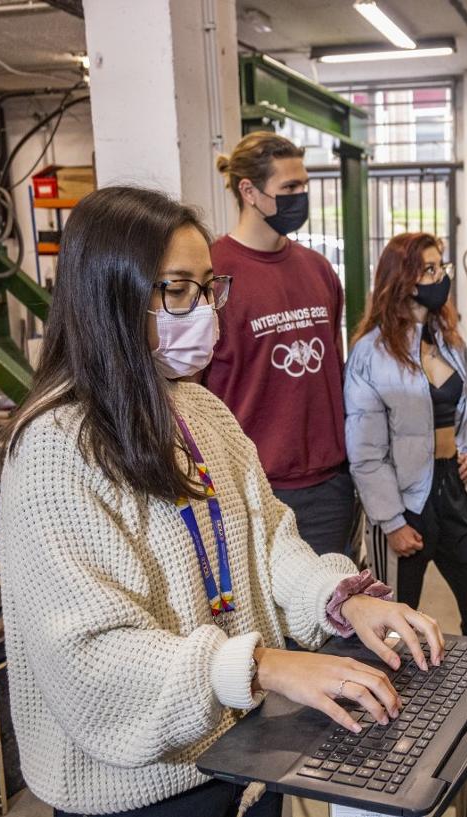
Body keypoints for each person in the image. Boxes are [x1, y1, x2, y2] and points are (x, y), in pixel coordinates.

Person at [0, 186, 444, 817]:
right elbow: (88, 660)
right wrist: (263, 665)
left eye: (209, 288)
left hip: (245, 759)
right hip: (141, 793)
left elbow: (269, 545)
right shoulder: (56, 450)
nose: (204, 311)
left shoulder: (201, 411)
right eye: (178, 290)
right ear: (110, 295)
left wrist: (342, 599)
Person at [205, 132, 357, 558]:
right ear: (249, 191)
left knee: (331, 616)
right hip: (252, 492)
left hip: (328, 487)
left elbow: (333, 368)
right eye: (289, 188)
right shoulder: (213, 274)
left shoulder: (319, 269)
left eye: (303, 186)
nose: (300, 197)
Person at [345, 232, 467, 640]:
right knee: (393, 623)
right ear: (403, 279)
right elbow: (365, 453)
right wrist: (392, 521)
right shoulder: (371, 353)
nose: (441, 278)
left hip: (451, 490)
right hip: (403, 500)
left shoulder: (448, 342)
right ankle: (397, 701)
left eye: (441, 267)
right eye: (429, 269)